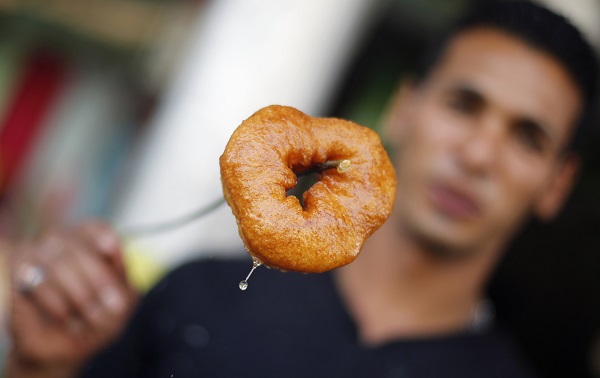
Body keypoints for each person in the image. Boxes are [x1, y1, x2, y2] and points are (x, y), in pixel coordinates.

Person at [5, 1, 598, 377]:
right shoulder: (197, 296)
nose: (477, 155)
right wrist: (41, 364)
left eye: (528, 138)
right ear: (404, 109)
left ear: (556, 184)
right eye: (463, 105)